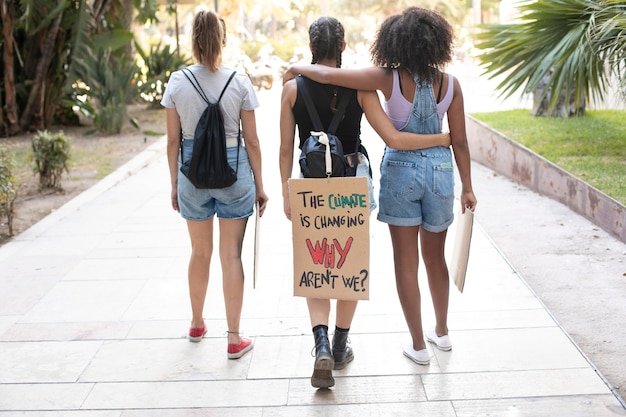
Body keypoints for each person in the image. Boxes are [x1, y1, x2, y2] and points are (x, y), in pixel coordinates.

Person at [284, 7, 477, 365]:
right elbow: (461, 142)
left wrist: (297, 68)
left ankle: (418, 345)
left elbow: (328, 74)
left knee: (406, 262)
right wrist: (467, 185)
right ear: (437, 43)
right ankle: (443, 331)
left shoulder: (388, 78)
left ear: (395, 43)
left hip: (401, 172)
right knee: (435, 258)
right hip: (439, 172)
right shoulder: (451, 84)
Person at [161, 10, 268, 359]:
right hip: (233, 171)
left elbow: (172, 141)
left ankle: (196, 323)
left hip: (192, 174)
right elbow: (252, 141)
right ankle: (234, 338)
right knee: (231, 254)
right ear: (222, 41)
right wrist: (261, 185)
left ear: (193, 42)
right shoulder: (238, 81)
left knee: (199, 252)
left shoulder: (177, 82)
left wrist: (175, 184)